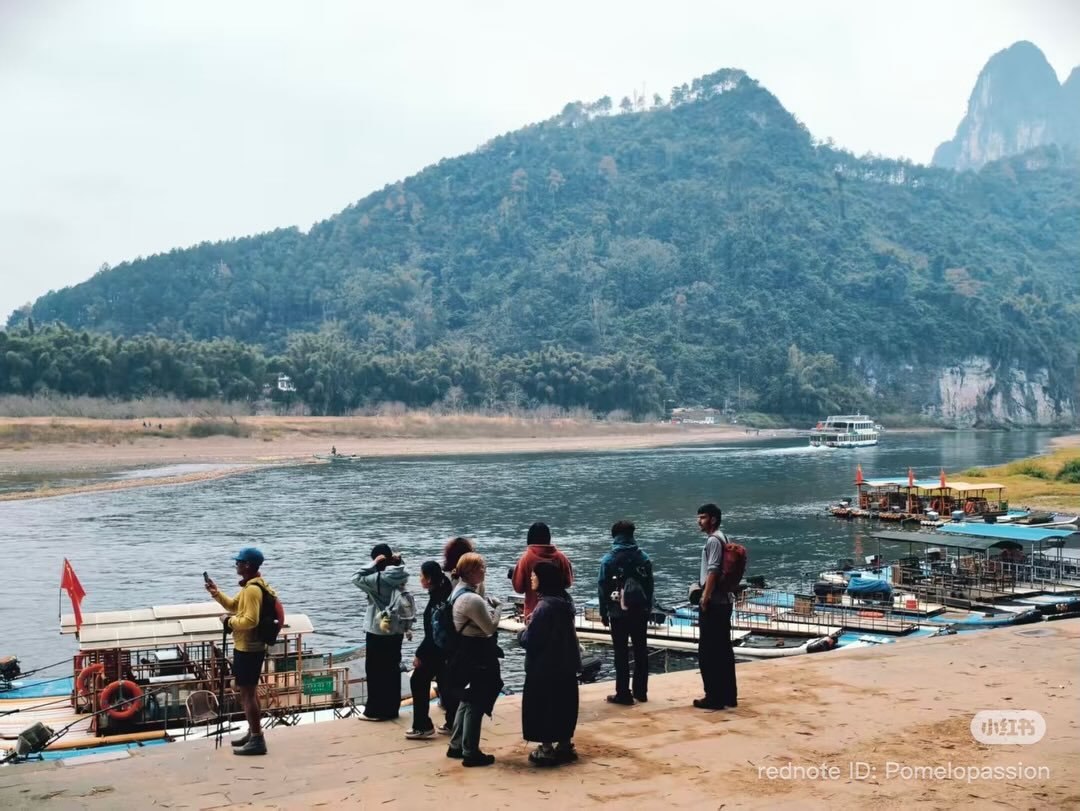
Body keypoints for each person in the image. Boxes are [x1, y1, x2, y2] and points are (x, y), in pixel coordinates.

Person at [205, 546, 275, 756]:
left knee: (247, 695)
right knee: (249, 694)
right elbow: (236, 606)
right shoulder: (251, 587)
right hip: (249, 647)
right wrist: (216, 593)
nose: (236, 565)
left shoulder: (252, 590)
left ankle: (257, 740)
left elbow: (249, 620)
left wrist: (229, 622)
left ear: (247, 565)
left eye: (239, 562)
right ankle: (254, 732)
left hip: (248, 648)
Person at [519, 561, 580, 766]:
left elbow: (532, 640)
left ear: (543, 579)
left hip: (544, 667)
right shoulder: (565, 601)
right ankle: (565, 744)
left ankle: (546, 749)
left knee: (543, 707)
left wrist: (523, 631)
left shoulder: (544, 607)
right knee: (564, 705)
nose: (531, 578)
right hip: (566, 664)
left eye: (534, 575)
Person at [446, 552, 503, 767]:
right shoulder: (471, 599)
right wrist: (497, 608)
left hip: (463, 650)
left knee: (467, 697)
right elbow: (489, 628)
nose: (484, 572)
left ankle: (457, 744)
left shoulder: (458, 591)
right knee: (476, 701)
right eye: (481, 568)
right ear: (470, 571)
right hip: (478, 651)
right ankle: (471, 751)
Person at [597, 519, 653, 705]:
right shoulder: (643, 558)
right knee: (640, 651)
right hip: (640, 612)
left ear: (615, 536)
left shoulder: (608, 560)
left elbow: (602, 588)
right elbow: (650, 586)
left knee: (620, 653)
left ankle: (623, 693)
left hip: (618, 613)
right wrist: (648, 608)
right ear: (632, 535)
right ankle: (641, 691)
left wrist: (604, 612)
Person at [351, 543, 410, 721]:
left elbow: (355, 577)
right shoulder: (402, 575)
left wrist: (372, 564)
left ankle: (375, 710)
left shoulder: (376, 579)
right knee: (392, 669)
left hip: (378, 629)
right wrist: (396, 561)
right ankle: (392, 708)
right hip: (396, 629)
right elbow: (399, 568)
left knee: (375, 670)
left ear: (377, 559)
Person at [405, 561, 457, 739]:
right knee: (445, 683)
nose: (419, 579)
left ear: (428, 579)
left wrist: (419, 654)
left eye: (421, 576)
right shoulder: (444, 592)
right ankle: (453, 722)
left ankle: (422, 725)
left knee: (418, 681)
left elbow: (433, 633)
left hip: (436, 650)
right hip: (447, 649)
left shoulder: (437, 601)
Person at [694, 503, 737, 710]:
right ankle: (729, 695)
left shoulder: (712, 541)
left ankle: (712, 696)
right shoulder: (724, 537)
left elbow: (712, 570)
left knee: (708, 652)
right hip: (726, 601)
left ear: (712, 519)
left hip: (714, 602)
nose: (699, 521)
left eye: (702, 517)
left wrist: (705, 596)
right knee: (724, 650)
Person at [511, 522, 573, 617]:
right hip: (558, 612)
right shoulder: (560, 557)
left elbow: (519, 588)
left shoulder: (525, 559)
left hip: (533, 613)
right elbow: (568, 583)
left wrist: (513, 575)